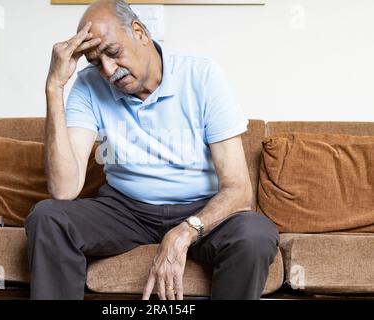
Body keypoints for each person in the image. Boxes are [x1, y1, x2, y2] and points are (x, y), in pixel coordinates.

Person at [25, 0, 279, 300]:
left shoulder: (202, 76)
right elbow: (64, 189)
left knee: (255, 234)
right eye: (95, 62)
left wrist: (185, 231)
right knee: (47, 217)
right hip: (125, 210)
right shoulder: (88, 86)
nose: (108, 71)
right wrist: (54, 87)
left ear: (139, 32)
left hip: (200, 209)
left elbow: (238, 190)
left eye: (113, 52)